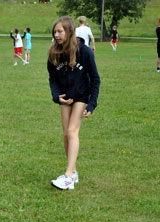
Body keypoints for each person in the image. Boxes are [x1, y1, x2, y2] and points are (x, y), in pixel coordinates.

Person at [47, 16, 100, 190]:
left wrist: (92, 104)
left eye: (60, 31)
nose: (56, 35)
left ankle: (68, 176)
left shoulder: (84, 52)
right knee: (66, 134)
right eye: (54, 32)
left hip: (82, 96)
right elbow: (53, 79)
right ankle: (74, 172)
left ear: (69, 31)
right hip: (65, 97)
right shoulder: (54, 53)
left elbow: (95, 79)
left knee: (72, 131)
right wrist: (57, 97)